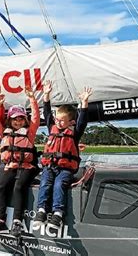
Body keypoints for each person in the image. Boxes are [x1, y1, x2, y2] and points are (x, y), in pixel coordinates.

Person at [33, 81, 92, 230]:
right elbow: (46, 113)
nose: (58, 122)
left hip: (65, 169)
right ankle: (41, 211)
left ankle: (58, 213)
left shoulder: (74, 132)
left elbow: (82, 121)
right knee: (45, 183)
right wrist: (46, 95)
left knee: (59, 185)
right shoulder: (52, 126)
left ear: (70, 122)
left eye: (61, 121)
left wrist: (84, 102)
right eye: (57, 119)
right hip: (49, 166)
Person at [0, 87, 40, 236]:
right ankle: (0, 221)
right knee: (2, 187)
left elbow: (36, 119)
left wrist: (32, 99)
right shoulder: (3, 132)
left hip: (27, 167)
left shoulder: (29, 133)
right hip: (10, 166)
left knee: (19, 187)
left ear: (25, 119)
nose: (18, 121)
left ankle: (17, 222)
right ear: (9, 120)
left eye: (21, 118)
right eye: (14, 118)